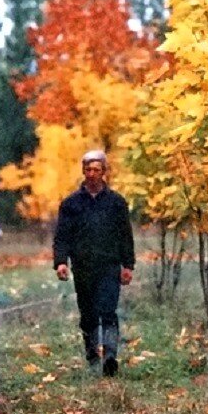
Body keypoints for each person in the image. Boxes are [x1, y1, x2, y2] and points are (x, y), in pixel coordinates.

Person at [53, 150, 135, 377]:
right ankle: (92, 355)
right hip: (82, 266)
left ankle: (110, 356)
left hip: (109, 265)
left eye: (96, 170)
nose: (92, 174)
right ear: (83, 171)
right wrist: (61, 262)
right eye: (88, 169)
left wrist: (128, 265)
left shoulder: (116, 202)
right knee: (88, 313)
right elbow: (62, 236)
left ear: (104, 172)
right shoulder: (70, 204)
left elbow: (125, 235)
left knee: (108, 310)